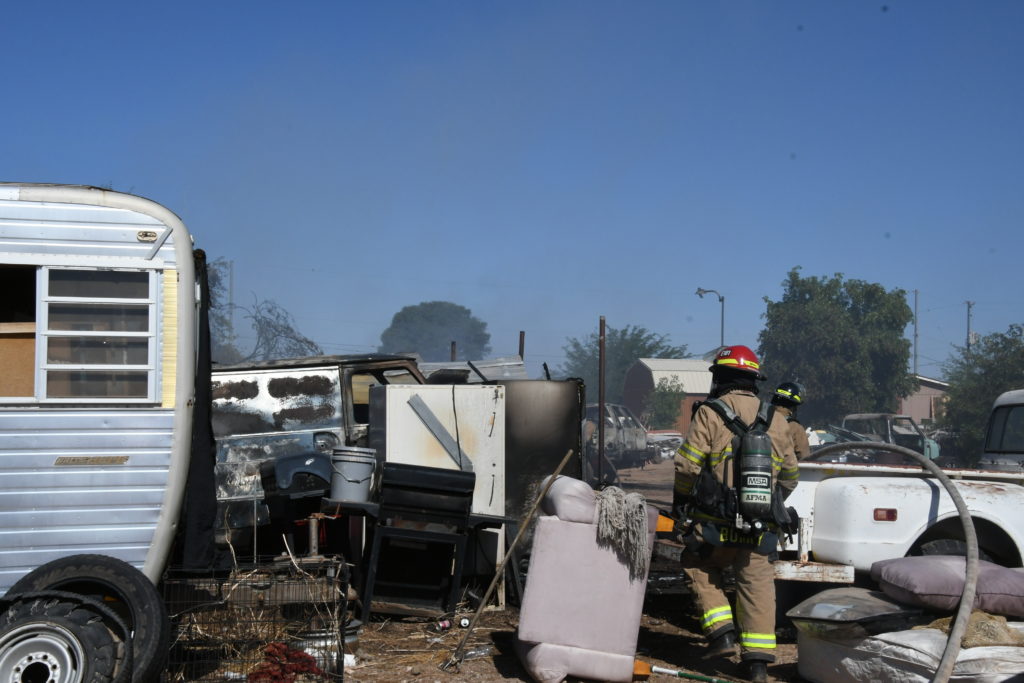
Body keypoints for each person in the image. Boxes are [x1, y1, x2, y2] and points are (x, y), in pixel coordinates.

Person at [672, 345, 799, 683]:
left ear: (721, 378)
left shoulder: (710, 413)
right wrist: (766, 502)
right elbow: (790, 476)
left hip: (715, 525)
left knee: (697, 564)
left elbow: (686, 466)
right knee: (757, 587)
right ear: (753, 380)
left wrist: (682, 501)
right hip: (760, 528)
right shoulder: (777, 419)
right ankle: (757, 665)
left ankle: (723, 635)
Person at [771, 382, 811, 462]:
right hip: (782, 469)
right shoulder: (795, 427)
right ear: (793, 407)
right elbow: (804, 458)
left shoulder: (761, 419)